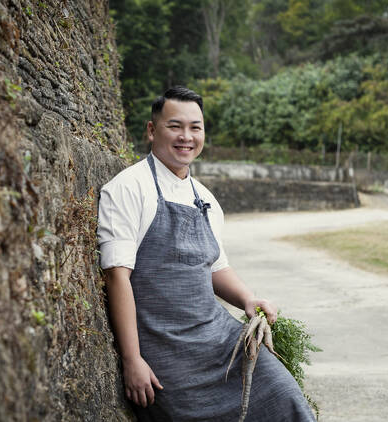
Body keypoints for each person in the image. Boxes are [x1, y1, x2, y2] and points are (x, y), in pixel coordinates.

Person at [97, 86, 315, 421]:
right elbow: (116, 276)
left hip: (218, 338)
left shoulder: (206, 198)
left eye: (195, 127)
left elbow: (214, 266)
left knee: (286, 399)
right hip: (164, 347)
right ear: (152, 130)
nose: (186, 136)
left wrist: (247, 298)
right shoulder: (128, 188)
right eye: (175, 126)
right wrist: (132, 359)